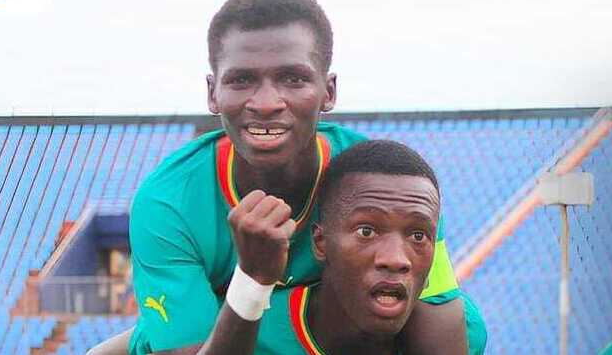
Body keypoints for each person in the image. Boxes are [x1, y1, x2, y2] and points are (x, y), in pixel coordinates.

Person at [87, 0, 486, 355]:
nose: (265, 102)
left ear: (328, 91)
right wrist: (253, 278)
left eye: (293, 79)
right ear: (213, 93)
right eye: (242, 80)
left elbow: (439, 321)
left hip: (327, 326)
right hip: (226, 332)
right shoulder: (169, 203)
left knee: (466, 326)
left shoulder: (383, 181)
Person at [167, 140, 463, 355]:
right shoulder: (240, 325)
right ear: (320, 243)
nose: (396, 259)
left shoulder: (457, 332)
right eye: (366, 231)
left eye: (418, 236)